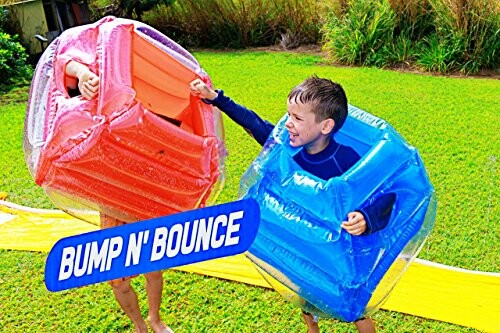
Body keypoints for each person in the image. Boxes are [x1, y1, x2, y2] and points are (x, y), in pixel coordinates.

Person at [190, 76, 396, 333]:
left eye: (297, 118)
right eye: (288, 114)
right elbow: (254, 123)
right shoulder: (287, 148)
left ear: (325, 126)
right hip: (303, 240)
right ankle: (312, 328)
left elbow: (385, 195)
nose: (287, 123)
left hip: (338, 249)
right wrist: (216, 99)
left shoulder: (346, 159)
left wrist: (366, 217)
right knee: (306, 293)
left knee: (356, 310)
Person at [65, 60, 173, 333]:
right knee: (118, 279)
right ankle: (138, 325)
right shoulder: (86, 111)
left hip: (143, 199)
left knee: (153, 267)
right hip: (111, 206)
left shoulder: (142, 107)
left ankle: (155, 319)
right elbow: (64, 60)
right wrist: (82, 74)